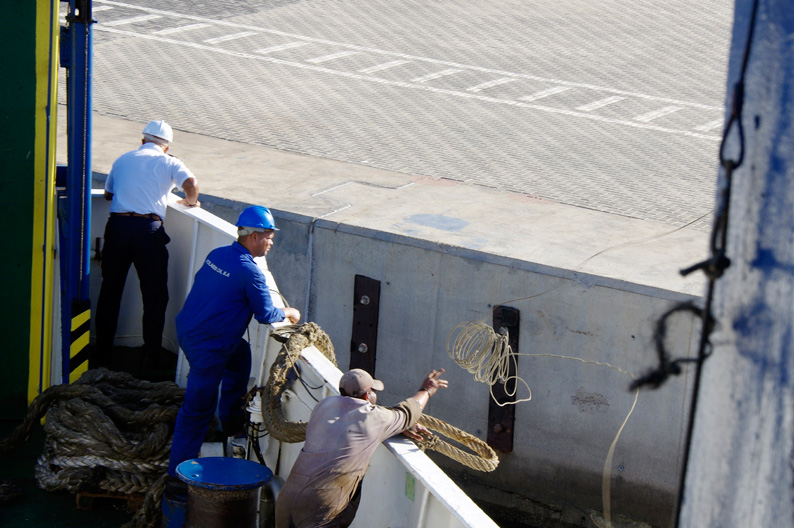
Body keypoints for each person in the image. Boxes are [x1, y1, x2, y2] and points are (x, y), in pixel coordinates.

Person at [167, 205, 301, 480]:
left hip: (188, 332)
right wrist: (289, 313)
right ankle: (177, 477)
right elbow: (266, 314)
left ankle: (230, 421)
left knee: (240, 357)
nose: (272, 241)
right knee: (196, 412)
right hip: (209, 349)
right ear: (253, 237)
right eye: (268, 235)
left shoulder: (218, 254)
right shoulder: (249, 271)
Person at [275, 368, 449, 528]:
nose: (375, 395)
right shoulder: (375, 419)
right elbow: (408, 412)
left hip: (286, 501)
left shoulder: (323, 407)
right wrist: (427, 389)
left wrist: (395, 426)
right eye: (373, 391)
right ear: (367, 396)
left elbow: (352, 421)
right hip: (319, 510)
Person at [94, 119, 200, 368]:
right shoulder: (170, 162)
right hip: (148, 231)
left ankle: (103, 354)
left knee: (110, 291)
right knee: (154, 295)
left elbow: (109, 193)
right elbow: (192, 185)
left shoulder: (123, 159)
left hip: (118, 227)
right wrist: (192, 203)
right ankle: (151, 354)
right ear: (166, 146)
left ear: (142, 141)